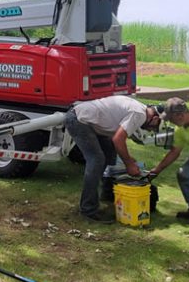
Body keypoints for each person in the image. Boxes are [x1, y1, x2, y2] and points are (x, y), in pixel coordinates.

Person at [64, 95, 164, 224]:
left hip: (88, 120)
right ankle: (88, 210)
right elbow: (118, 139)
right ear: (155, 117)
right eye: (154, 127)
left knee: (110, 154)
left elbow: (116, 138)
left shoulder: (140, 109)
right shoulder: (139, 114)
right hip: (79, 120)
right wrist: (129, 164)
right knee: (97, 160)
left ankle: (108, 194)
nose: (151, 129)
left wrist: (128, 158)